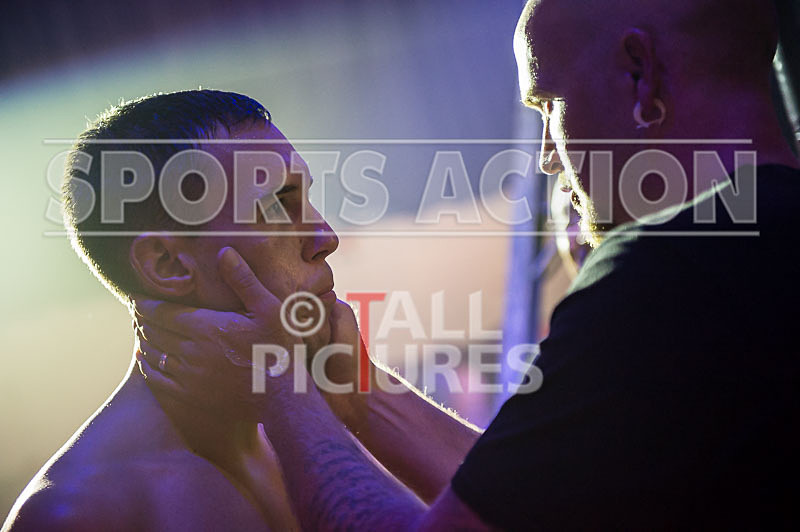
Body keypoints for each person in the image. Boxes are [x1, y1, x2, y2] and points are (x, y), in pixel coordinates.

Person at [134, 0, 800, 529]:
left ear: (639, 73)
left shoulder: (669, 272)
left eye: (549, 105)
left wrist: (278, 382)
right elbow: (536, 506)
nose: (547, 154)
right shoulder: (755, 249)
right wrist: (357, 390)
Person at [2, 89, 363, 531]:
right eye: (276, 205)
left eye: (307, 199)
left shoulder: (309, 428)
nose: (326, 237)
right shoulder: (83, 514)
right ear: (167, 264)